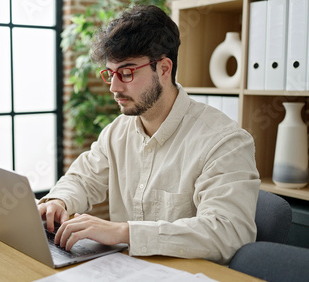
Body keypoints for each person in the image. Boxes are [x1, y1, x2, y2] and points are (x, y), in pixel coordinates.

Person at [38, 4, 260, 265]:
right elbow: (83, 178)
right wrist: (58, 201)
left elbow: (229, 232)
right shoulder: (117, 131)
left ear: (164, 69)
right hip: (128, 270)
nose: (114, 87)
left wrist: (125, 232)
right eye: (110, 73)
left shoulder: (224, 142)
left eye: (127, 72)